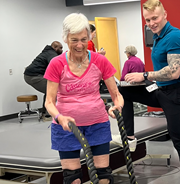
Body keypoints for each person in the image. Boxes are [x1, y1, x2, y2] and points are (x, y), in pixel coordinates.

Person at [109, 0, 180, 184]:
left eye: (154, 18)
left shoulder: (174, 36)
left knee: (179, 139)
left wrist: (144, 76)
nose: (151, 23)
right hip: (161, 91)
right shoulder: (158, 36)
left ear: (165, 15)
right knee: (125, 91)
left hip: (176, 94)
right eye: (147, 20)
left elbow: (174, 71)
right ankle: (130, 137)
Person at [44, 13, 123, 184]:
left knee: (104, 177)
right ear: (65, 38)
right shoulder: (57, 64)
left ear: (89, 37)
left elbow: (116, 94)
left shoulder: (100, 61)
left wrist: (117, 105)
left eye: (83, 39)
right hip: (67, 128)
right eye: (74, 40)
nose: (80, 45)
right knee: (73, 179)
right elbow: (49, 102)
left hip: (97, 124)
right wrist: (59, 117)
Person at [24, 41, 63, 119]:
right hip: (33, 76)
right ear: (55, 47)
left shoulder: (48, 52)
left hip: (32, 75)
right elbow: (56, 66)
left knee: (49, 91)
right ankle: (48, 115)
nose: (61, 50)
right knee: (53, 90)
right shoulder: (51, 54)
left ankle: (45, 113)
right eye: (60, 48)